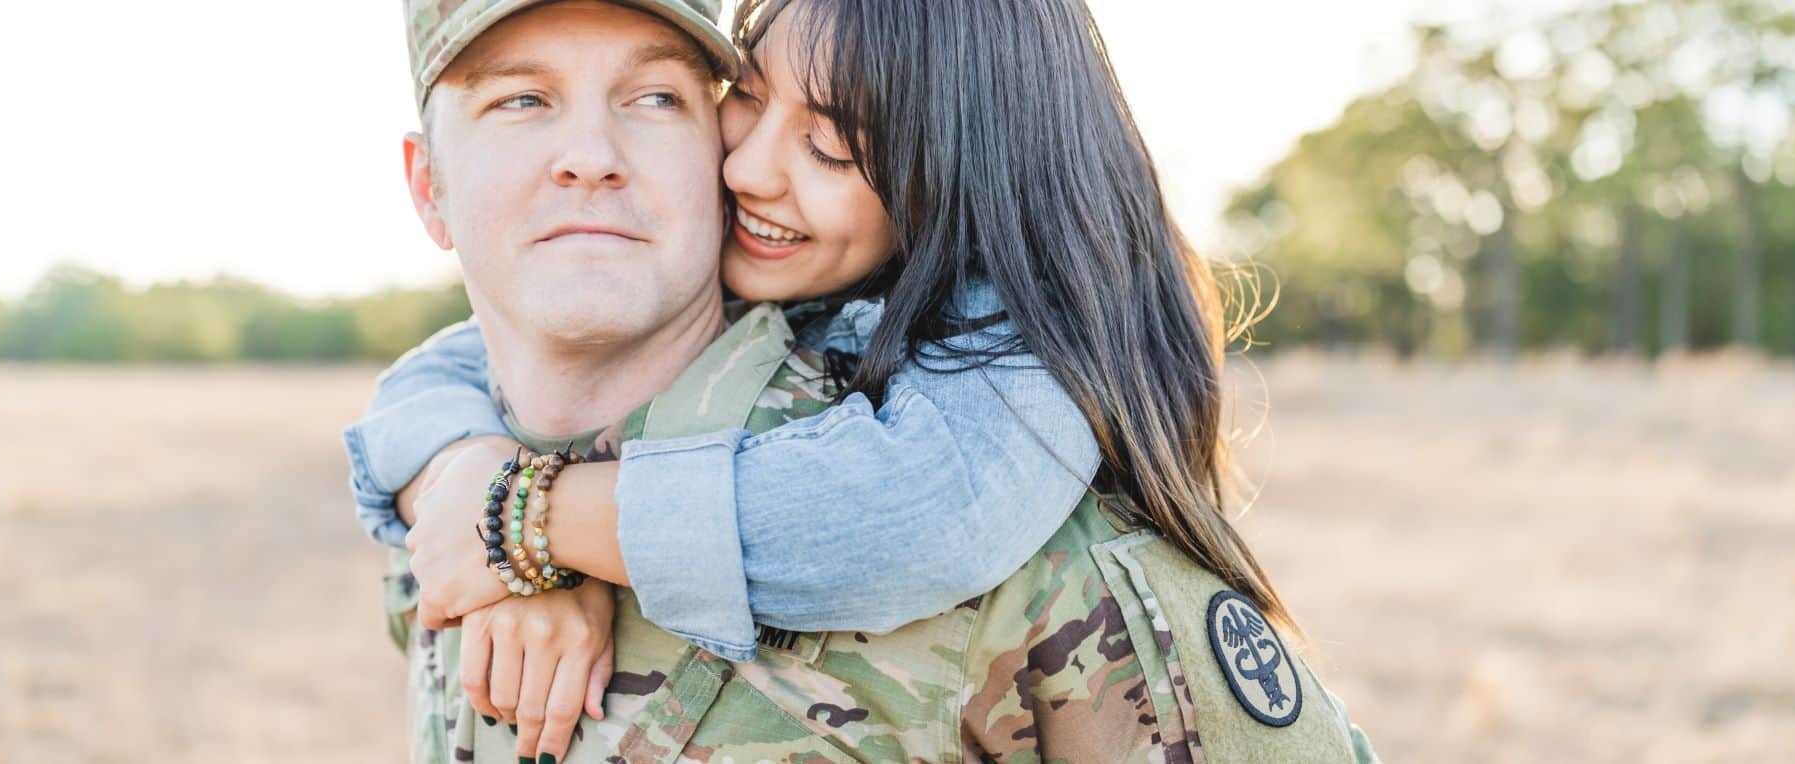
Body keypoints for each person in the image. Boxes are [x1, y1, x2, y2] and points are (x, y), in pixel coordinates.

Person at [363, 0, 1380, 761]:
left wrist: (523, 519)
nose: (591, 156)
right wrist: (479, 488)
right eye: (521, 100)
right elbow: (425, 392)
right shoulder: (443, 501)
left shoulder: (1000, 514)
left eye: (658, 97)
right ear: (426, 186)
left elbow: (935, 506)